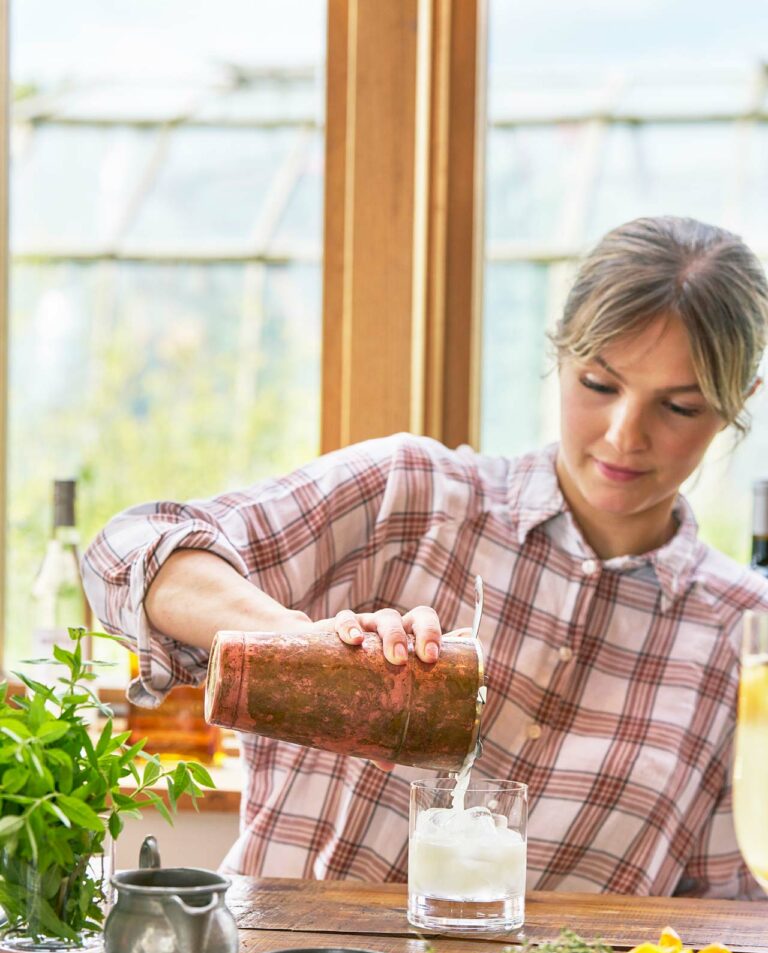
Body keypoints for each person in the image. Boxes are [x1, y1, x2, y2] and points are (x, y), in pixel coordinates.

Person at [82, 215, 768, 898]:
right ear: (559, 356)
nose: (625, 435)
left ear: (739, 403)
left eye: (678, 407)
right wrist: (298, 638)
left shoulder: (744, 638)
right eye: (598, 384)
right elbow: (127, 553)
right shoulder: (408, 497)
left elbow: (728, 927)